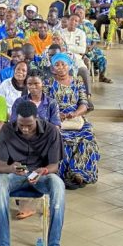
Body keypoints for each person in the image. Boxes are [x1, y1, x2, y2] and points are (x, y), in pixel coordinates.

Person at [0, 100, 70, 246]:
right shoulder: (7, 130)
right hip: (16, 175)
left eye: (29, 125)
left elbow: (54, 166)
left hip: (41, 175)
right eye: (21, 125)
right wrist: (11, 168)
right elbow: (1, 165)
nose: (25, 129)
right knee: (0, 183)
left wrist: (43, 171)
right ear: (16, 119)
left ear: (37, 118)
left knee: (58, 184)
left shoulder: (50, 131)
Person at [48, 53, 98, 188]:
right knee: (61, 139)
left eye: (63, 64)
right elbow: (46, 104)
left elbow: (84, 103)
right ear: (52, 68)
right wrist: (58, 115)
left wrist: (75, 113)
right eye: (56, 65)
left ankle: (79, 173)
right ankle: (63, 174)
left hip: (76, 119)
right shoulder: (49, 83)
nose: (60, 67)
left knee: (88, 138)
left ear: (69, 65)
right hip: (56, 120)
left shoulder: (77, 81)